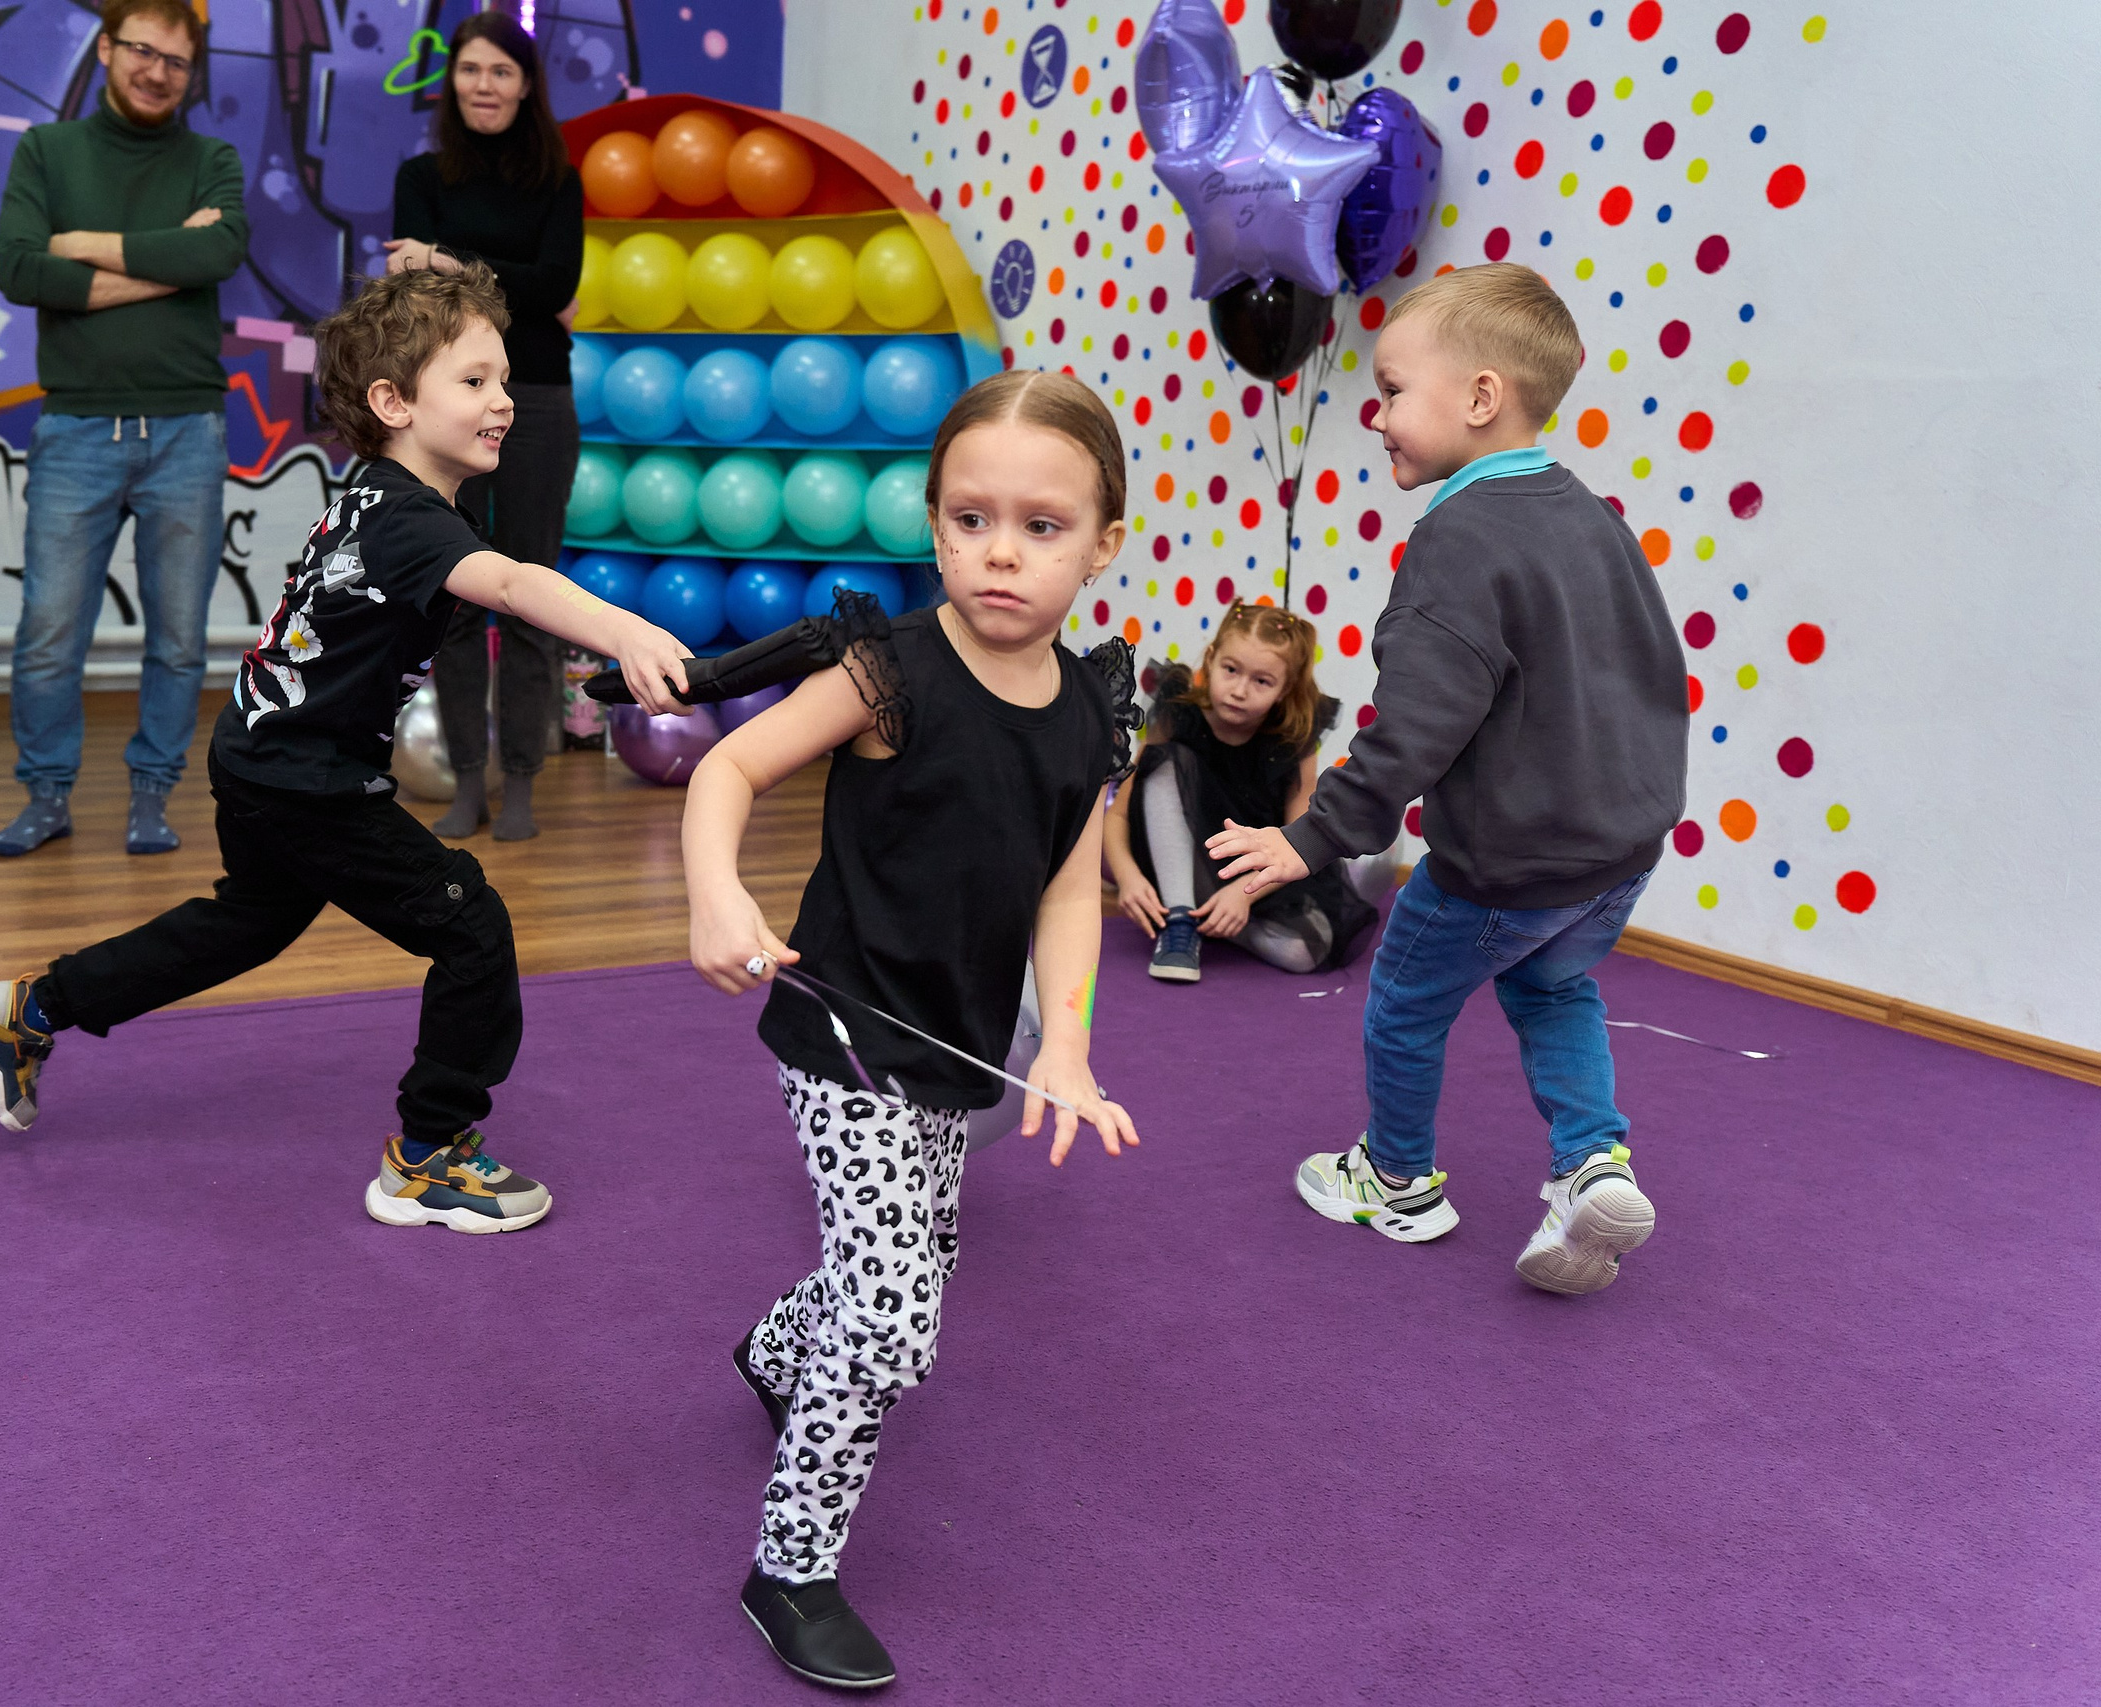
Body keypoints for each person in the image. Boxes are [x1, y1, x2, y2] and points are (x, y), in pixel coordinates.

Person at [0, 264, 690, 1233]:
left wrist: (588, 675)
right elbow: (510, 585)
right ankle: (427, 1157)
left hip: (260, 752)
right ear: (392, 402)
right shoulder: (420, 526)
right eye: (473, 381)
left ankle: (26, 1011)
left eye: (503, 379)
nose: (503, 401)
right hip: (302, 779)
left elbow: (431, 621)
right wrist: (625, 633)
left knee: (246, 923)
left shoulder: (382, 498)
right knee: (469, 925)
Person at [684, 370, 1143, 1691]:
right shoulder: (889, 674)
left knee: (911, 1251)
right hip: (844, 1031)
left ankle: (778, 1349)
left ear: (1104, 541)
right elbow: (727, 767)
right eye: (969, 516)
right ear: (933, 522)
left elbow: (1068, 883)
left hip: (953, 1045)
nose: (1001, 549)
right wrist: (720, 889)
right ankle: (791, 1567)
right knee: (896, 1319)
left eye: (1043, 525)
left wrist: (1065, 1041)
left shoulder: (1088, 709)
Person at [1209, 263, 1688, 1296]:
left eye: (1388, 390)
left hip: (1500, 867)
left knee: (1405, 1003)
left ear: (1479, 397)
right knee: (1554, 985)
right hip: (1619, 856)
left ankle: (1396, 1181)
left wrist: (1309, 836)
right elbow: (1653, 672)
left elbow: (1416, 728)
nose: (1374, 416)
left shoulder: (1456, 542)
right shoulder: (1590, 515)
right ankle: (1592, 1164)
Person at [0, 0, 248, 858]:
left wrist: (86, 244)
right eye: (141, 50)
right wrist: (165, 258)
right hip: (76, 429)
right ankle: (48, 795)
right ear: (107, 50)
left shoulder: (211, 158)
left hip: (187, 432)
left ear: (189, 72)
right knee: (50, 633)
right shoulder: (47, 151)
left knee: (179, 640)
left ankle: (151, 798)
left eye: (175, 60)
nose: (155, 71)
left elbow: (216, 255)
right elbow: (23, 268)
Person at [386, 12, 586, 842]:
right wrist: (448, 271)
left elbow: (553, 287)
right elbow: (414, 292)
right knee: (460, 597)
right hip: (447, 403)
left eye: (501, 72)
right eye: (470, 70)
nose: (484, 85)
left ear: (526, 84)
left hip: (537, 397)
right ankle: (470, 780)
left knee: (534, 594)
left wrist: (444, 259)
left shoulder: (558, 183)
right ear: (453, 82)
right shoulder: (422, 173)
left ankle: (527, 782)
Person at [1104, 602, 1380, 982]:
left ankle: (1209, 914)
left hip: (1252, 874)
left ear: (1285, 689)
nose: (1239, 690)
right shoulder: (1177, 712)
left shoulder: (1295, 738)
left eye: (1262, 681)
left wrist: (1243, 896)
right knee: (1169, 760)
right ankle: (1181, 919)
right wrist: (1128, 877)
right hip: (1175, 855)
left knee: (1305, 951)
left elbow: (1298, 839)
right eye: (1231, 670)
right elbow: (1118, 814)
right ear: (1211, 660)